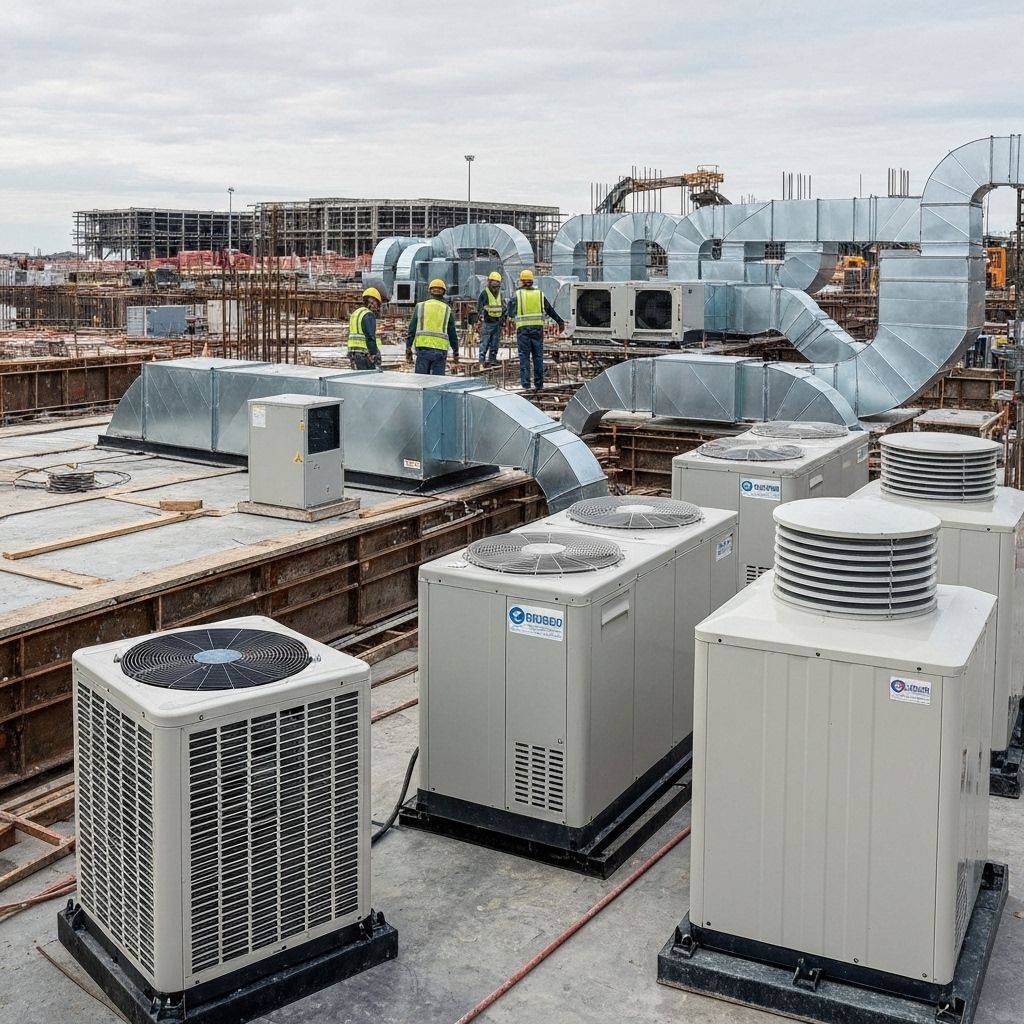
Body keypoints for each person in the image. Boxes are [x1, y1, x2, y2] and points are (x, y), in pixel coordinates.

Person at [506, 268, 565, 390]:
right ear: (532, 281)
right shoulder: (539, 294)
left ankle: (526, 384)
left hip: (523, 330)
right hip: (537, 330)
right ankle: (539, 384)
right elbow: (549, 310)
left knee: (524, 357)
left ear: (521, 281)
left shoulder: (517, 295)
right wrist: (560, 321)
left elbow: (510, 313)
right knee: (538, 357)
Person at [405, 278, 459, 375]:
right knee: (437, 381)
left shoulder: (420, 306)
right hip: (440, 351)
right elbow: (452, 333)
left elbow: (412, 329)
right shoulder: (447, 309)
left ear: (430, 291)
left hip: (423, 349)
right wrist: (456, 351)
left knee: (420, 380)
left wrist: (408, 346)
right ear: (443, 292)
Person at [348, 287, 384, 370]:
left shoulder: (356, 313)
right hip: (364, 354)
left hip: (353, 352)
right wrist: (374, 354)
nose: (377, 307)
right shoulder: (368, 315)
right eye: (377, 303)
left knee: (358, 376)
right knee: (369, 376)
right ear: (373, 302)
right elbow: (370, 337)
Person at [477, 271, 505, 366]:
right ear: (489, 283)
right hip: (488, 321)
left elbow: (502, 307)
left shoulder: (499, 294)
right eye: (494, 284)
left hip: (497, 321)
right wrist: (481, 317)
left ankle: (492, 360)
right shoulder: (485, 293)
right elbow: (480, 307)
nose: (495, 287)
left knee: (495, 343)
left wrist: (503, 318)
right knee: (485, 342)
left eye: (497, 284)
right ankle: (481, 360)